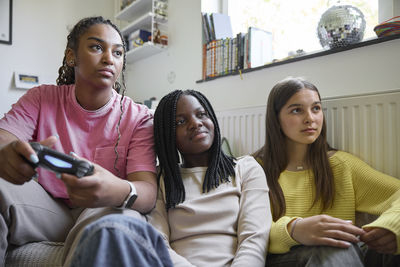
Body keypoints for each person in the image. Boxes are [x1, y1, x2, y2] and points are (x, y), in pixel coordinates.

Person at [0, 16, 167, 266]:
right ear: (71, 57)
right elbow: (4, 138)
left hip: (101, 209)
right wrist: (8, 152)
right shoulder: (41, 98)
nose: (109, 58)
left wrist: (115, 189)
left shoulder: (139, 117)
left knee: (110, 222)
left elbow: (147, 192)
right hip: (47, 210)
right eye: (97, 47)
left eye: (118, 52)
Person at [253, 77, 400, 266]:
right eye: (297, 110)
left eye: (316, 108)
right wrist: (294, 230)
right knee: (333, 246)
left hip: (342, 256)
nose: (310, 119)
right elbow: (247, 233)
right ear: (276, 118)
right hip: (282, 258)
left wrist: (391, 227)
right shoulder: (254, 169)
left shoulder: (341, 165)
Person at [146, 89, 272, 266]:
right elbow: (158, 243)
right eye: (181, 121)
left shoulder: (246, 168)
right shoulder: (161, 178)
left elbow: (255, 238)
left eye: (201, 114)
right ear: (167, 135)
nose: (195, 123)